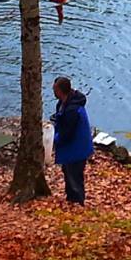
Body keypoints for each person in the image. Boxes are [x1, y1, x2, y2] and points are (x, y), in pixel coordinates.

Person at [50, 75, 92, 205]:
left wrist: (53, 139)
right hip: (73, 146)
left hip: (77, 147)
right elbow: (61, 119)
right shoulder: (64, 103)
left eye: (55, 90)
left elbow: (67, 133)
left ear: (61, 91)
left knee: (74, 175)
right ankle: (71, 199)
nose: (53, 92)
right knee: (67, 172)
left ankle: (79, 202)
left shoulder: (72, 109)